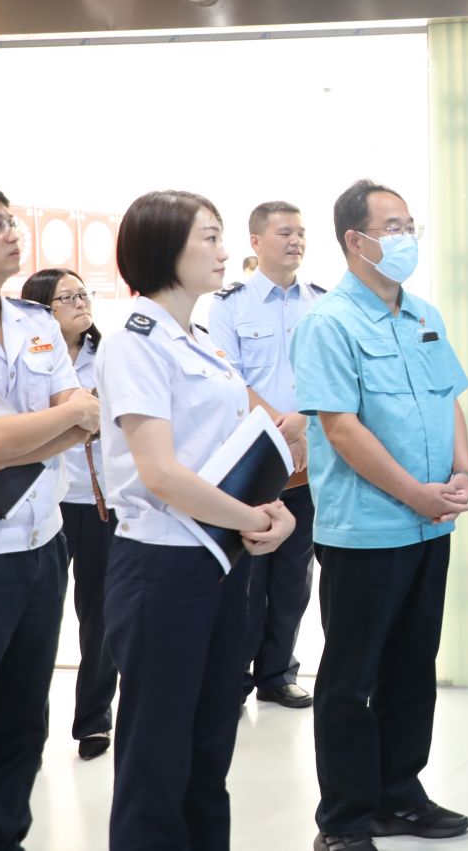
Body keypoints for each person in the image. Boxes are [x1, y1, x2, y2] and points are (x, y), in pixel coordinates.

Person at [96, 190, 297, 850]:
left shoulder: (201, 341)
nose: (222, 250)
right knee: (157, 754)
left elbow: (228, 449)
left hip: (218, 560)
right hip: (161, 565)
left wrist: (269, 513)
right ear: (164, 249)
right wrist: (251, 518)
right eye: (207, 237)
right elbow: (160, 473)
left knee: (210, 745)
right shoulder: (134, 341)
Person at [290, 179, 468, 851]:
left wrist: (462, 470)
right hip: (366, 528)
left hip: (429, 525)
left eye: (410, 224)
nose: (406, 237)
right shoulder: (329, 323)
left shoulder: (423, 313)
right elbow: (341, 428)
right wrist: (415, 492)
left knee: (413, 666)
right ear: (355, 240)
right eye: (392, 226)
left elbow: (450, 396)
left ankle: (400, 795)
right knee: (351, 678)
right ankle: (343, 820)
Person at [0, 178, 100, 851]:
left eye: (11, 220)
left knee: (21, 725)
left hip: (43, 544)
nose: (12, 232)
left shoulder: (36, 322)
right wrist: (16, 437)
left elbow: (85, 418)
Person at [208, 201, 325, 712]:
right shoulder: (229, 305)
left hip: (309, 460)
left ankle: (278, 673)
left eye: (301, 232)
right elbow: (229, 379)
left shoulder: (320, 302)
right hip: (254, 460)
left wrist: (303, 422)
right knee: (248, 577)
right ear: (256, 241)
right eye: (284, 233)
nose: (296, 241)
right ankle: (233, 679)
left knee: (294, 578)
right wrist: (283, 427)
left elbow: (332, 375)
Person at [21, 267, 117, 761]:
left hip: (102, 504)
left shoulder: (111, 356)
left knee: (101, 615)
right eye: (68, 297)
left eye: (83, 293)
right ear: (42, 309)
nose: (81, 303)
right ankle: (27, 728)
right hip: (46, 502)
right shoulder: (28, 360)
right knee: (39, 621)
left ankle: (94, 721)